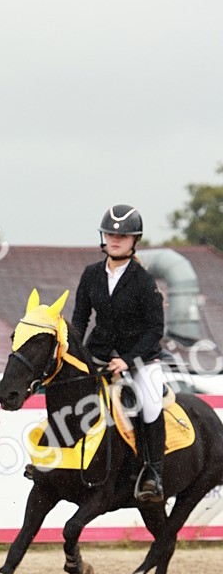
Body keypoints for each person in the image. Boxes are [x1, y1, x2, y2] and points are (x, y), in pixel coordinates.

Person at [71, 204, 166, 501]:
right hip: (97, 354)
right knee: (68, 393)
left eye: (122, 236)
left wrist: (127, 361)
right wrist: (78, 356)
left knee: (150, 402)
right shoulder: (91, 275)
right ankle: (57, 462)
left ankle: (153, 473)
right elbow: (80, 319)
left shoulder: (143, 280)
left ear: (134, 240)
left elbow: (155, 329)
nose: (115, 239)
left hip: (139, 358)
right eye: (110, 234)